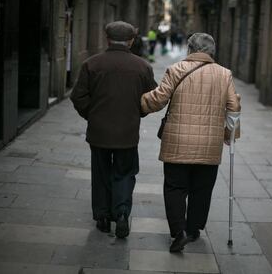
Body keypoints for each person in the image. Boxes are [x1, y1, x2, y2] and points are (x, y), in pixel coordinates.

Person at [141, 33, 241, 252]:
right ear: (212, 51)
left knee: (175, 187)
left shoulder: (176, 70)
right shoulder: (224, 74)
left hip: (177, 141)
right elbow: (234, 107)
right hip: (209, 144)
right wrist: (229, 134)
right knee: (202, 188)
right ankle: (194, 229)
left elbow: (159, 98)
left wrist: (141, 103)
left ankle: (178, 232)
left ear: (189, 49)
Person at [70, 21, 157, 238]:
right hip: (127, 133)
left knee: (100, 174)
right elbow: (152, 98)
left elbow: (78, 96)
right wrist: (138, 113)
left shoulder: (92, 64)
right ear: (131, 40)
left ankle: (102, 217)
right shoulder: (142, 67)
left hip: (99, 132)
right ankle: (121, 214)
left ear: (107, 39)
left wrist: (92, 115)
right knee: (125, 174)